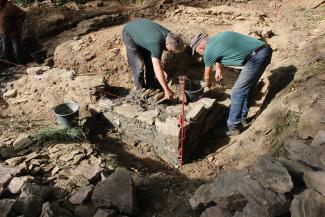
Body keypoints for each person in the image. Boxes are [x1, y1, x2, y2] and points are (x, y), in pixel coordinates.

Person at [190, 31, 272, 136]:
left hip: (255, 59)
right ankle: (242, 119)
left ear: (200, 47)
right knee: (246, 88)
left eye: (196, 51)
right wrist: (218, 70)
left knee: (237, 92)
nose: (198, 54)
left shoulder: (208, 52)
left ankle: (233, 127)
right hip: (263, 51)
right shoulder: (217, 38)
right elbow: (220, 54)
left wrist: (207, 85)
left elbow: (207, 76)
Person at [122, 19, 185, 99]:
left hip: (144, 34)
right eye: (171, 50)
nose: (170, 52)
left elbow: (156, 61)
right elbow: (157, 67)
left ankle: (151, 87)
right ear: (167, 44)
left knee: (150, 63)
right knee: (138, 66)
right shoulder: (156, 43)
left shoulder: (170, 36)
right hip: (129, 33)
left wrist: (161, 70)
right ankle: (140, 91)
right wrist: (167, 89)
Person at [0, 0, 26, 65]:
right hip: (4, 34)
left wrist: (17, 23)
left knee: (17, 51)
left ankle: (22, 65)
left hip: (14, 33)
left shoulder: (8, 6)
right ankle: (13, 65)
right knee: (6, 51)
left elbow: (23, 14)